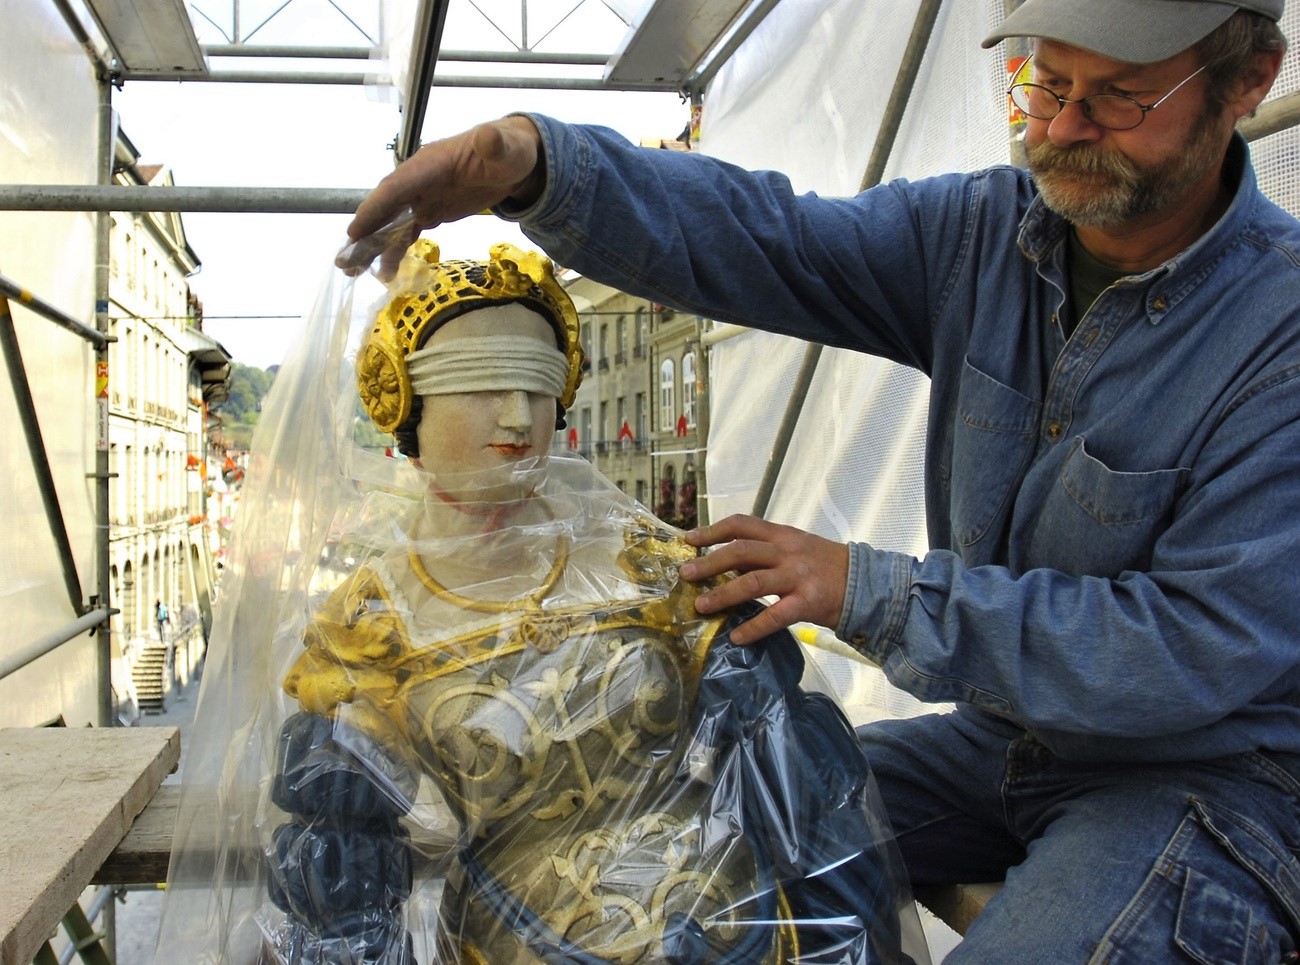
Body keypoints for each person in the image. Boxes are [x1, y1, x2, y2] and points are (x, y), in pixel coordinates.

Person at [337, 0, 1300, 960]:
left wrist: (866, 587)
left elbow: (1185, 647)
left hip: (1206, 776)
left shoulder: (1280, 333)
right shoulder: (984, 235)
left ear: (1249, 81)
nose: (1063, 128)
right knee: (669, 836)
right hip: (1004, 742)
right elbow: (773, 238)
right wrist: (541, 166)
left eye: (1121, 98)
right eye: (1045, 84)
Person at [262, 240, 923, 963]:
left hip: (735, 931)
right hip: (515, 943)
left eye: (539, 384)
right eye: (481, 383)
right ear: (405, 403)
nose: (518, 418)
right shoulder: (368, 629)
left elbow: (801, 780)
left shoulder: (647, 565)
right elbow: (343, 885)